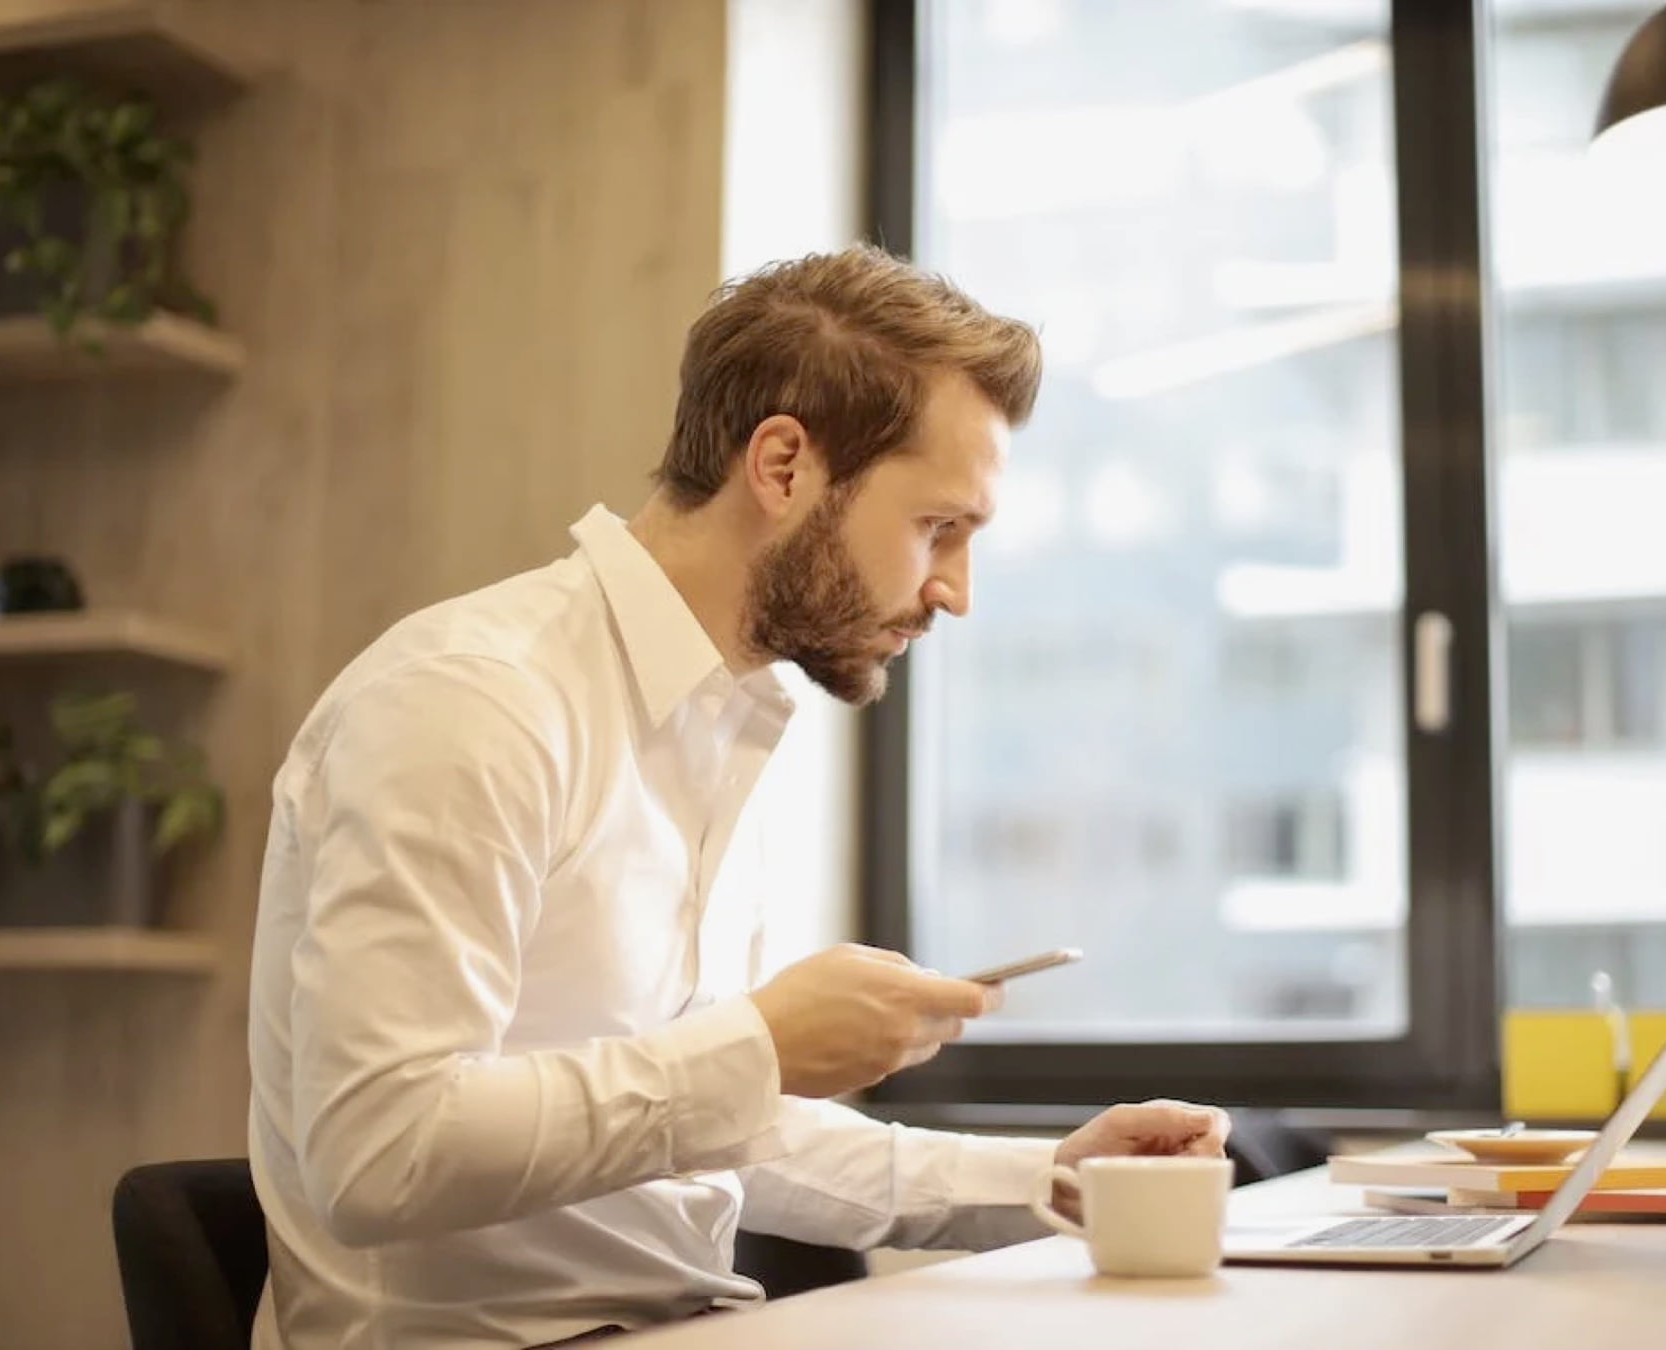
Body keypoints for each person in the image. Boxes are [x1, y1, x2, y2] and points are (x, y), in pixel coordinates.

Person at [246, 244, 1232, 1350]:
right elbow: (378, 1153)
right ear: (782, 466)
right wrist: (757, 1046)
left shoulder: (718, 722)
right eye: (938, 528)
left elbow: (692, 1128)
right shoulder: (472, 702)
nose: (954, 592)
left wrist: (1047, 1178)